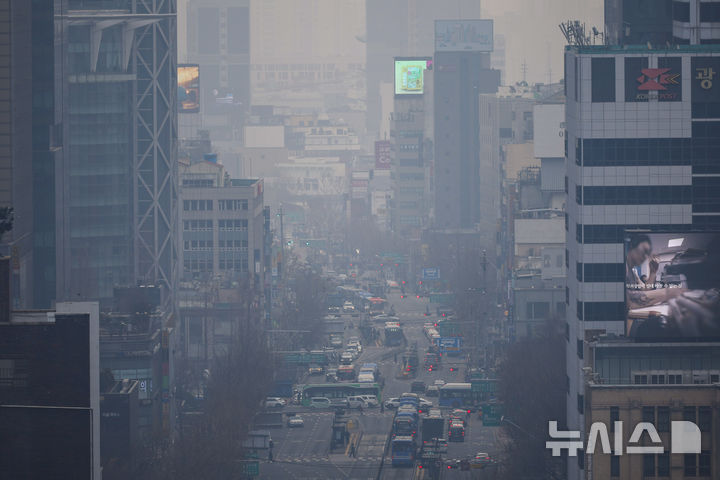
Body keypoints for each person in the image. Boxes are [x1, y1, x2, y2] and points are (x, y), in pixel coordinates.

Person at [626, 234, 685, 310]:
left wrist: (653, 272)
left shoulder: (633, 273)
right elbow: (626, 299)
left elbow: (644, 291)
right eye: (645, 251)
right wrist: (667, 293)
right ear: (632, 246)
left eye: (648, 254)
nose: (646, 257)